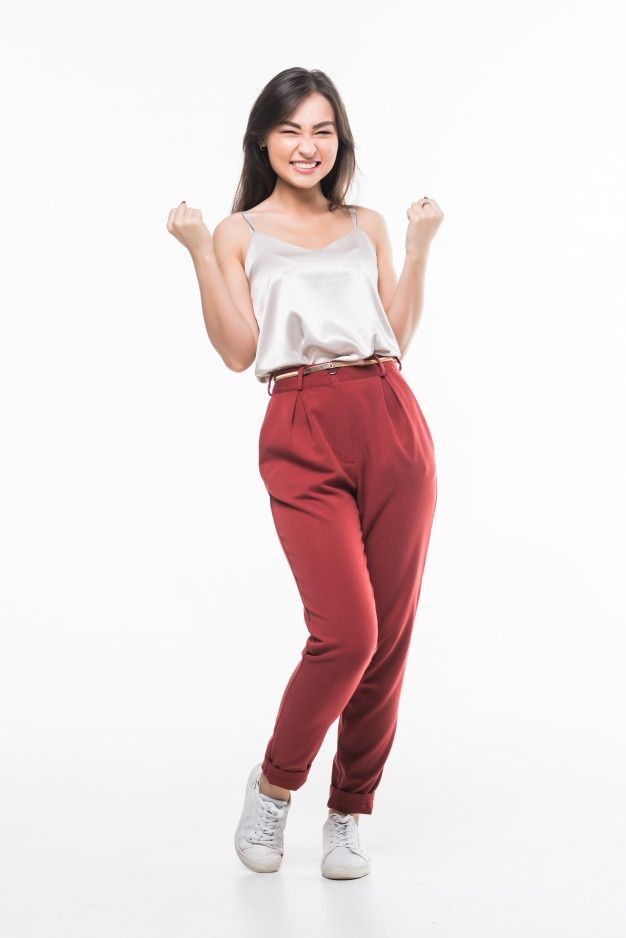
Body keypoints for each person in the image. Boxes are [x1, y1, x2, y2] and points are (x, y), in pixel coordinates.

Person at [167, 67, 443, 880]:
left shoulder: (367, 223)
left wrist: (419, 247)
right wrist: (194, 253)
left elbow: (397, 331)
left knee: (386, 639)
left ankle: (351, 809)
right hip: (297, 421)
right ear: (264, 138)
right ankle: (276, 785)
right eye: (291, 130)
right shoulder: (237, 231)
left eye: (322, 130)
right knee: (346, 633)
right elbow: (238, 352)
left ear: (339, 141)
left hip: (390, 412)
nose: (307, 145)